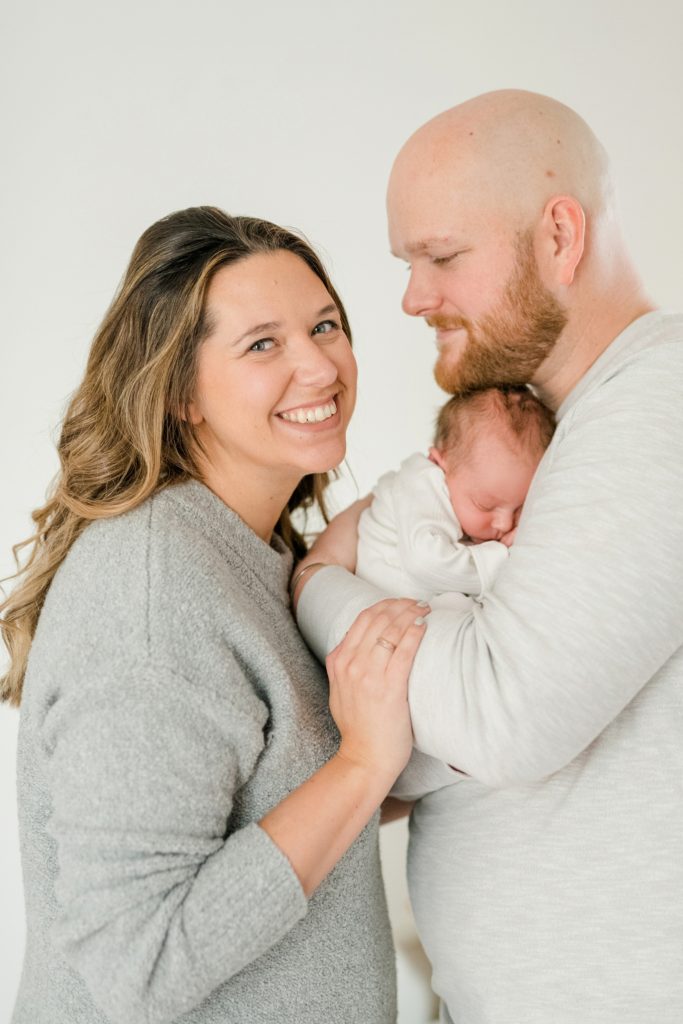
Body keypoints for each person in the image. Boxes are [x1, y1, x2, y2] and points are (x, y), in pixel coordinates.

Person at [292, 90, 683, 1023]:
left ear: (558, 237)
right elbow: (423, 749)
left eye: (441, 256)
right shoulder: (558, 435)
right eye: (408, 264)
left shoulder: (654, 407)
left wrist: (319, 586)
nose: (411, 297)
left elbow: (500, 717)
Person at [0, 206, 429, 1024]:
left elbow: (268, 800)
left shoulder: (253, 552)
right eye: (262, 344)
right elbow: (139, 964)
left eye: (324, 326)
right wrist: (360, 766)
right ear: (181, 395)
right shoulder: (154, 592)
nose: (318, 366)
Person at [356, 387, 555, 602]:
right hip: (383, 603)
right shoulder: (422, 481)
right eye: (485, 505)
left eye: (519, 508)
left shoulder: (466, 490)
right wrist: (502, 556)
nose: (505, 524)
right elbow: (425, 563)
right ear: (439, 464)